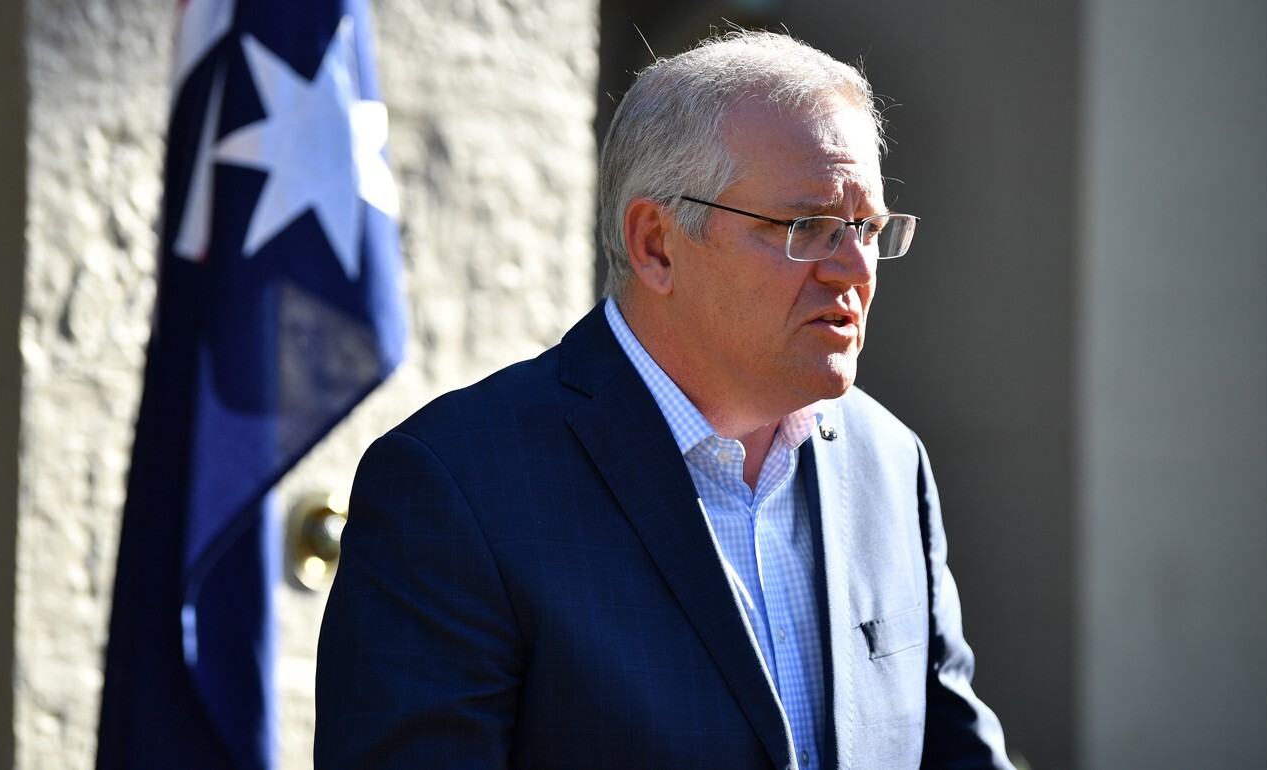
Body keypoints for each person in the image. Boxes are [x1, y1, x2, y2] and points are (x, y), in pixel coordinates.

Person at [315, 29, 1014, 770]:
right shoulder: (457, 486)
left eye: (867, 228)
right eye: (807, 227)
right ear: (655, 243)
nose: (852, 268)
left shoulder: (888, 461)